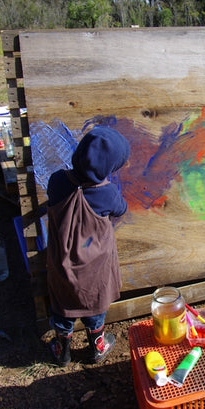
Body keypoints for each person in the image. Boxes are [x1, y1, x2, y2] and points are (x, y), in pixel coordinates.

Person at [46, 126, 130, 366]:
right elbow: (121, 209)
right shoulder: (107, 193)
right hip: (95, 268)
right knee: (94, 306)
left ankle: (63, 350)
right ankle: (97, 347)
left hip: (61, 262)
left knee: (62, 305)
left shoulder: (57, 181)